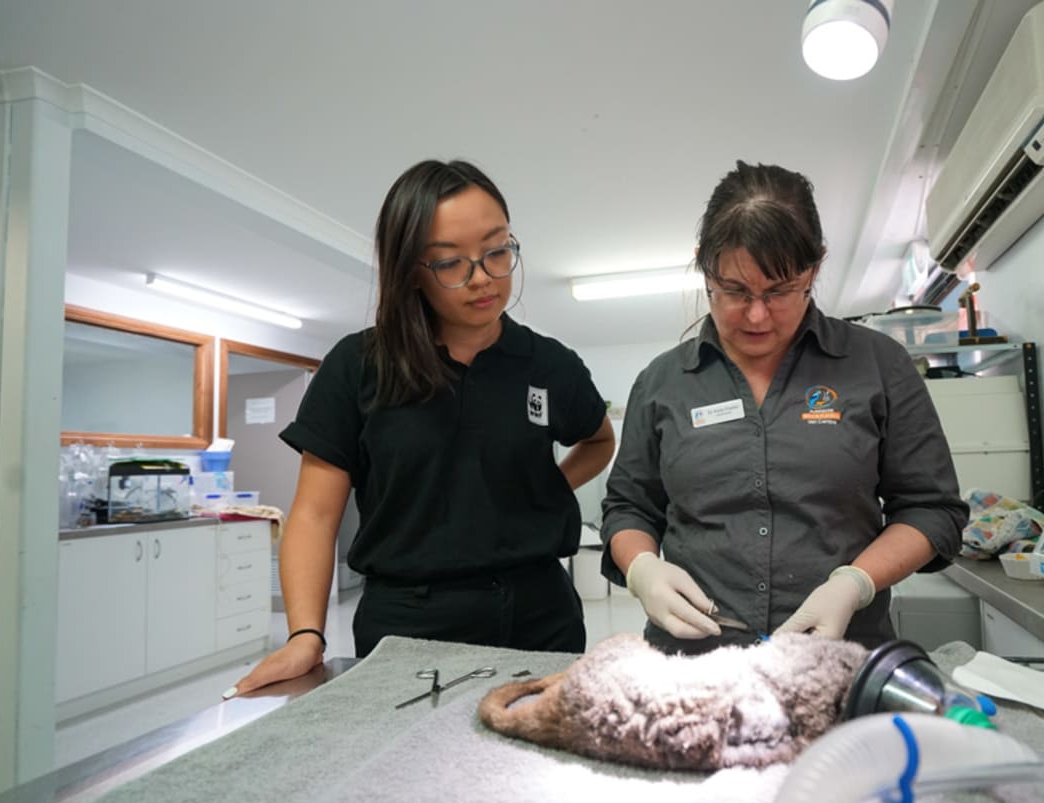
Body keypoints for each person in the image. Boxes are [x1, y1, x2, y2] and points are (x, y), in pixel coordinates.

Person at [229, 160, 615, 696]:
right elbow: (315, 515)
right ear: (412, 269)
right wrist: (305, 635)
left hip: (540, 614)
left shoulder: (548, 364)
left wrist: (550, 487)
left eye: (498, 250)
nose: (482, 277)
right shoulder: (360, 366)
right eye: (450, 263)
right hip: (411, 621)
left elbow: (599, 439)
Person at [600, 161, 968, 655]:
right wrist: (643, 569)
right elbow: (628, 508)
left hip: (839, 656)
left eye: (779, 291)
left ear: (814, 268)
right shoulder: (662, 383)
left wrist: (855, 582)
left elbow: (932, 509)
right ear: (704, 267)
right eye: (734, 291)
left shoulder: (877, 365)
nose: (756, 315)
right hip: (693, 664)